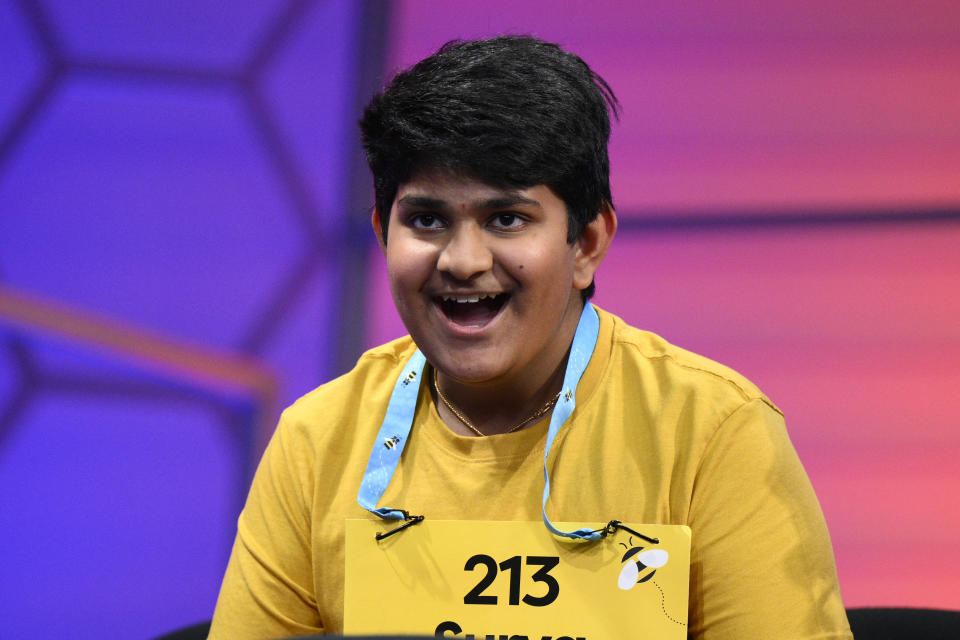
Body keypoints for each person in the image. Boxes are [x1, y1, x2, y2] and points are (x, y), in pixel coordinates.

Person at [209, 36, 852, 639]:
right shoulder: (317, 439)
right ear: (382, 232)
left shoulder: (712, 429)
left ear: (587, 244)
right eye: (427, 219)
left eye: (507, 218)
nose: (462, 260)